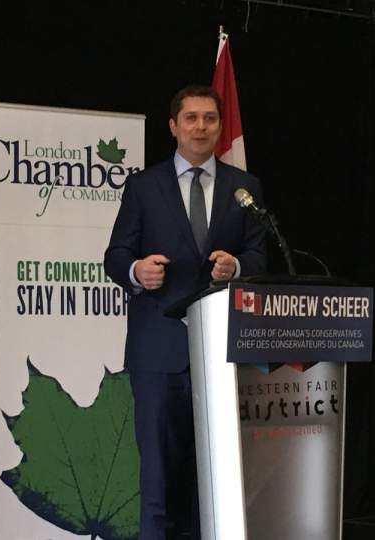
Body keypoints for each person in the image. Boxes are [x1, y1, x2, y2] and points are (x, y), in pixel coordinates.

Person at [104, 84, 266, 540]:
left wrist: (237, 267)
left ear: (220, 127)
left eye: (210, 118)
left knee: (213, 482)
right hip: (158, 354)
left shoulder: (244, 188)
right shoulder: (143, 186)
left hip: (222, 357)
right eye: (191, 118)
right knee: (158, 482)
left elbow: (258, 257)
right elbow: (116, 255)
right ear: (173, 126)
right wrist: (137, 271)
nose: (201, 127)